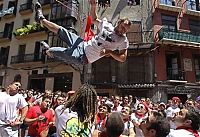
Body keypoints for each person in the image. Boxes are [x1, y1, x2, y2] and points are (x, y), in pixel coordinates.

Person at [34, 0, 131, 70]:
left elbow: (123, 58)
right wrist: (93, 6)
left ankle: (46, 51)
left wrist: (110, 52)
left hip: (83, 57)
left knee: (61, 52)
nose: (123, 31)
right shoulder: (107, 25)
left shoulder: (123, 40)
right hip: (82, 43)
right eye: (122, 27)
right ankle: (41, 19)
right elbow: (93, 19)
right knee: (62, 30)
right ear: (118, 22)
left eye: (125, 30)